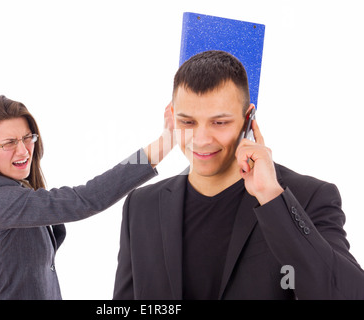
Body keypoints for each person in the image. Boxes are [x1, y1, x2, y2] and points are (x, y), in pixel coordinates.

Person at [113, 50, 364, 300]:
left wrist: (272, 197)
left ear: (248, 119)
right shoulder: (141, 206)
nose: (201, 140)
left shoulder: (308, 197)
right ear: (171, 116)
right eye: (187, 122)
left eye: (219, 123)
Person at [0, 95, 174, 300]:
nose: (23, 151)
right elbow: (85, 199)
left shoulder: (15, 192)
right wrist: (164, 143)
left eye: (26, 138)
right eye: (9, 143)